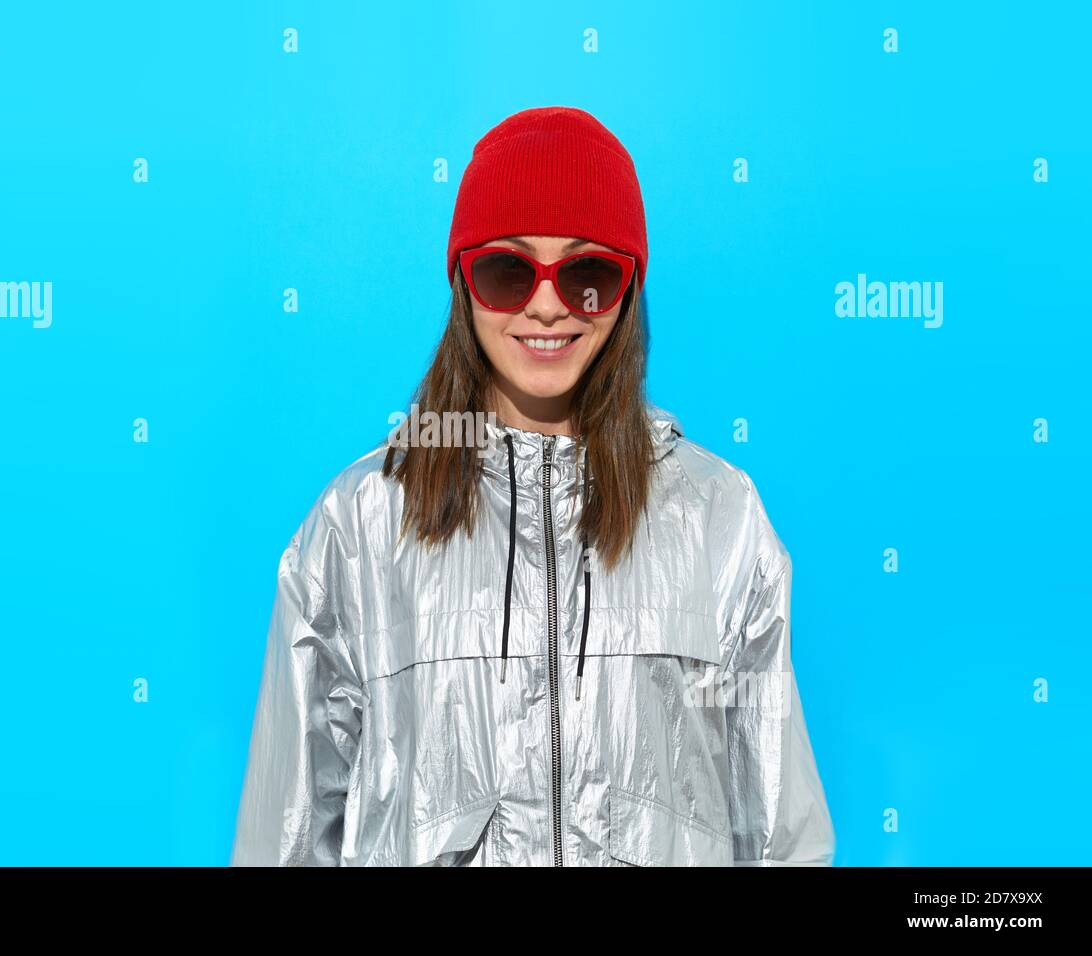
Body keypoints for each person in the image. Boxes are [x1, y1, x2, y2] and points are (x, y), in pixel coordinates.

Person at [231, 106, 836, 866]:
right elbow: (282, 838)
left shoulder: (720, 516)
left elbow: (782, 835)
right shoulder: (359, 525)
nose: (547, 304)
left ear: (626, 288)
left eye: (586, 273)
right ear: (464, 282)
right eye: (508, 271)